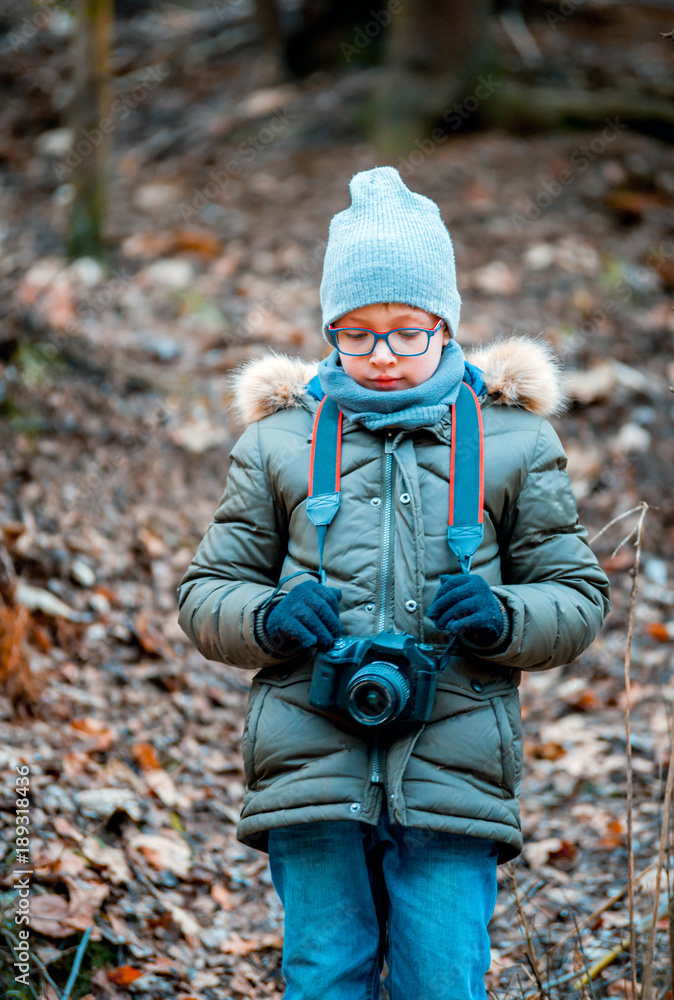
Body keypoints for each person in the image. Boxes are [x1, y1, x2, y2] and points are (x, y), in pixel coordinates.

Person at [177, 166, 611, 1000]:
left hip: (455, 771)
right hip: (310, 765)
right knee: (323, 977)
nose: (382, 357)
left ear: (445, 325)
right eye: (357, 333)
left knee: (443, 981)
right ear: (329, 330)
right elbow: (207, 590)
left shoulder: (514, 440)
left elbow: (578, 593)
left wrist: (504, 616)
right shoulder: (279, 442)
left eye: (407, 332)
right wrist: (267, 616)